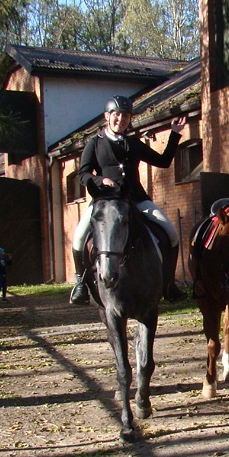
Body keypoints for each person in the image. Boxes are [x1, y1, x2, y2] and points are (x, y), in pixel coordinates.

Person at [70, 95, 187, 304]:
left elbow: (163, 161)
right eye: (117, 115)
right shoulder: (94, 143)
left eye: (125, 116)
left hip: (136, 199)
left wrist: (175, 134)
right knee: (79, 237)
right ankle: (80, 284)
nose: (121, 120)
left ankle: (169, 284)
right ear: (107, 116)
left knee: (171, 232)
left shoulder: (133, 143)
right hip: (106, 202)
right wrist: (100, 180)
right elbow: (83, 174)